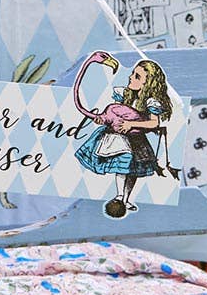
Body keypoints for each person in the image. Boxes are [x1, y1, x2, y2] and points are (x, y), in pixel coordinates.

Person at [74, 57, 174, 218]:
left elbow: (153, 123)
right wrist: (103, 119)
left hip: (136, 140)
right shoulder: (124, 94)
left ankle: (126, 199)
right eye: (133, 73)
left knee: (133, 171)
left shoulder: (150, 102)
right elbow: (113, 112)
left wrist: (131, 124)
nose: (131, 77)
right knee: (123, 164)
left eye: (137, 77)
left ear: (148, 83)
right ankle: (119, 196)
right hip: (118, 137)